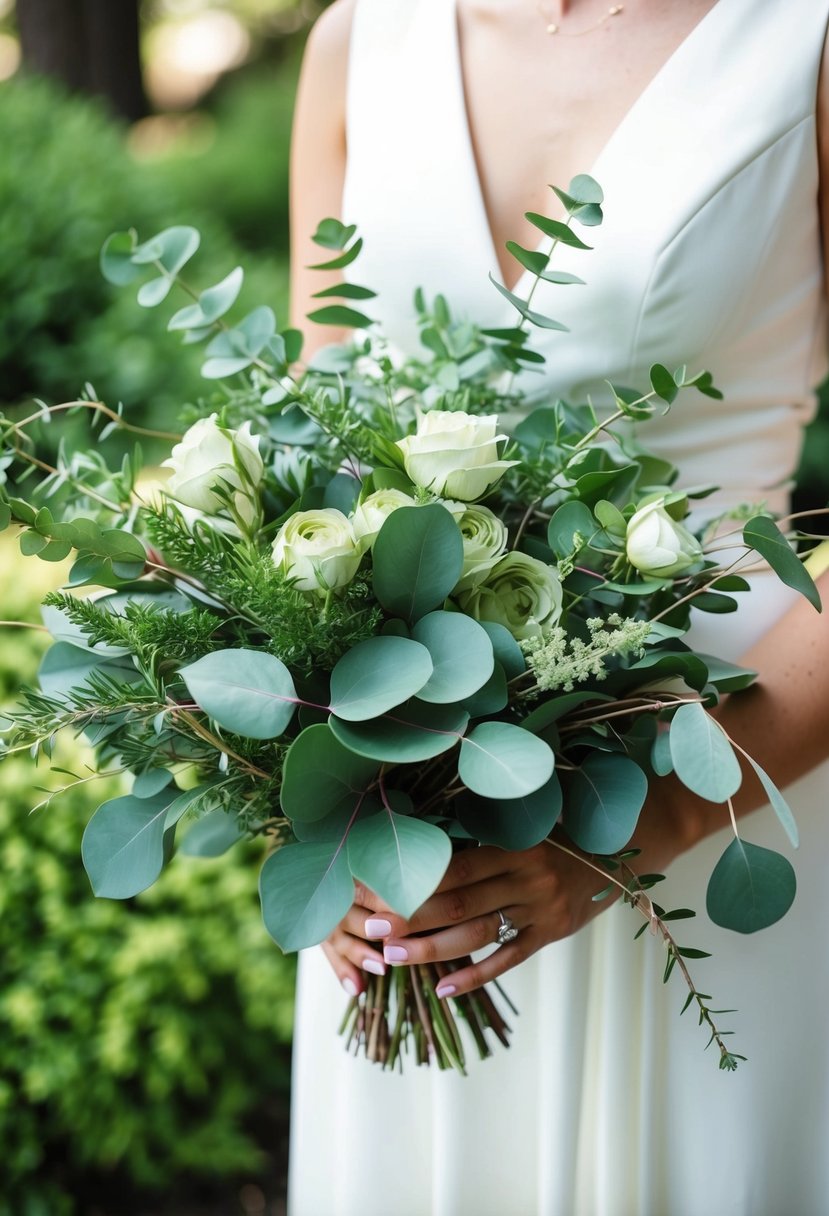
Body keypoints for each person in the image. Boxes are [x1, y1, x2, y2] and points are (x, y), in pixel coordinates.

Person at [287, 2, 829, 1212]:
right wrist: (319, 819)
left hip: (732, 761)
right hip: (414, 839)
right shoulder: (359, 41)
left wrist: (645, 837)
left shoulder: (806, 38)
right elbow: (309, 463)